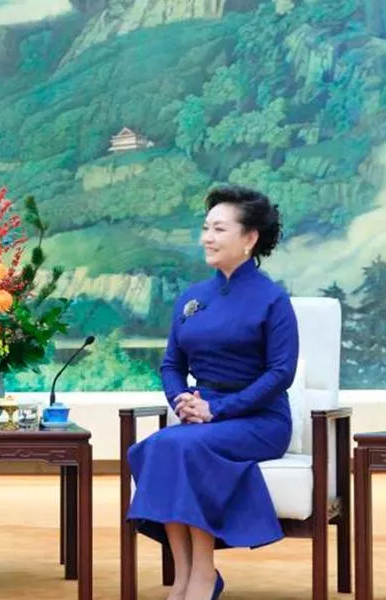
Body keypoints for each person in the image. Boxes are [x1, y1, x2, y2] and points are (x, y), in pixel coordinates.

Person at [125, 186, 298, 600]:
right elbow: (172, 364)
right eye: (205, 228)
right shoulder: (192, 298)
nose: (207, 237)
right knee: (161, 445)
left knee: (186, 448)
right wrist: (180, 401)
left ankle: (204, 573)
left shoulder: (272, 299)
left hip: (260, 420)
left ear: (249, 238)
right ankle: (185, 575)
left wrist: (216, 410)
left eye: (219, 229)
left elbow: (280, 374)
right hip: (202, 415)